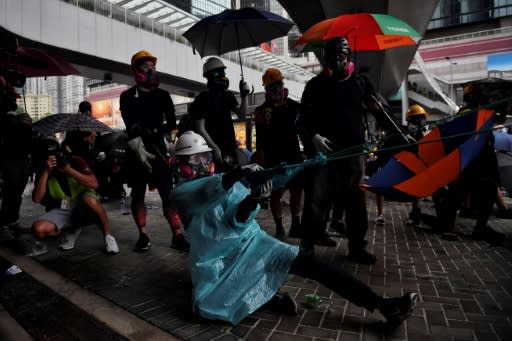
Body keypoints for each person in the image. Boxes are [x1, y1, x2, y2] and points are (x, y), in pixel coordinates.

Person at [169, 131, 418, 326]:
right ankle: (265, 299)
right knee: (209, 307)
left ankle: (381, 305)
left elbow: (238, 219)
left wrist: (299, 167)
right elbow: (208, 190)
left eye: (205, 158)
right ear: (181, 164)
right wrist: (239, 174)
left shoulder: (225, 182)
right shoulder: (182, 193)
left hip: (252, 245)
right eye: (195, 160)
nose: (202, 164)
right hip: (218, 263)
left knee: (312, 264)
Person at [297, 37, 396, 264]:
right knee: (316, 200)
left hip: (353, 152)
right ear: (326, 59)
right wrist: (313, 137)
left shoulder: (361, 83)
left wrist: (400, 133)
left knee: (355, 201)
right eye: (332, 56)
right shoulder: (315, 86)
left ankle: (356, 247)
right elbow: (302, 119)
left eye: (341, 56)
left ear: (348, 57)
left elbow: (380, 111)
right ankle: (307, 246)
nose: (337, 61)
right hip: (323, 152)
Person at [119, 50, 189, 252]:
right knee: (138, 194)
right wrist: (138, 136)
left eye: (153, 67)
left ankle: (177, 234)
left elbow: (171, 123)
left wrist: (162, 134)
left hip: (159, 149)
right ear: (136, 71)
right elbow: (130, 123)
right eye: (146, 67)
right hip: (137, 150)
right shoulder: (127, 97)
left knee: (168, 195)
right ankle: (143, 234)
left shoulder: (163, 96)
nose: (151, 70)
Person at [27, 137, 119, 256]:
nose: (54, 158)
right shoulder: (43, 169)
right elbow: (37, 199)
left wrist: (68, 170)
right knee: (38, 229)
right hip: (64, 206)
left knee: (90, 200)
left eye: (56, 154)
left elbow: (94, 184)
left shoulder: (75, 161)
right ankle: (72, 229)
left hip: (84, 203)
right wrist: (46, 171)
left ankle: (108, 236)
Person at [253, 68, 304, 239]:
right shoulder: (261, 111)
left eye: (279, 83)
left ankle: (296, 224)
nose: (277, 88)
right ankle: (279, 227)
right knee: (277, 192)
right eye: (272, 86)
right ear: (266, 89)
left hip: (294, 156)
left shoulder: (294, 106)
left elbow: (305, 127)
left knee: (297, 190)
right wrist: (261, 158)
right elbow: (259, 138)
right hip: (274, 157)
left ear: (283, 85)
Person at [188, 57, 249, 172]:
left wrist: (244, 95)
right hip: (209, 151)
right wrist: (214, 148)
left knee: (232, 181)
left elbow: (242, 115)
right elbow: (200, 128)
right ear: (209, 76)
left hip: (229, 148)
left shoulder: (228, 96)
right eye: (218, 72)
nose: (223, 76)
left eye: (223, 72)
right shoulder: (202, 99)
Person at [0, 67, 35, 240]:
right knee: (9, 191)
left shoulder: (14, 106)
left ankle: (13, 220)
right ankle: (4, 223)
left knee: (17, 192)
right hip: (9, 156)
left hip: (22, 157)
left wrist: (26, 122)